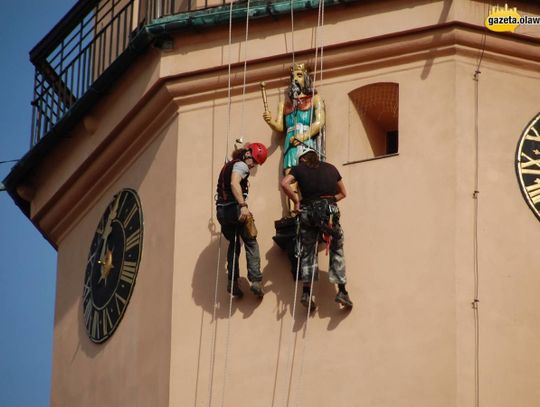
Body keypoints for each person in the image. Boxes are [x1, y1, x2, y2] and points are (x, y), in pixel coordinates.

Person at [280, 146, 353, 310]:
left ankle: (306, 292)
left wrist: (296, 200)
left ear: (302, 158)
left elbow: (284, 183)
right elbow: (343, 193)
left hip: (308, 212)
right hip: (330, 212)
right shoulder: (331, 168)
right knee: (336, 248)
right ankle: (342, 291)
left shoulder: (299, 169)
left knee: (308, 250)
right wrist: (328, 200)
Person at [263, 63, 325, 214]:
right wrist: (270, 121)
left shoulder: (314, 99)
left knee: (309, 176)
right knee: (290, 179)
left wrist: (304, 136)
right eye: (293, 77)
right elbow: (280, 127)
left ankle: (310, 208)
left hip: (306, 142)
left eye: (299, 75)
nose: (295, 79)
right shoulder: (284, 104)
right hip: (290, 144)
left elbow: (319, 121)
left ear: (306, 78)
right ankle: (294, 212)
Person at [216, 142, 268, 298]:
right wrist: (243, 205)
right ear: (248, 156)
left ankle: (232, 282)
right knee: (251, 240)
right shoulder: (241, 166)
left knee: (234, 243)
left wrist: (244, 146)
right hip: (235, 209)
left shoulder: (228, 165)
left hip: (222, 212)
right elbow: (234, 182)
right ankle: (256, 282)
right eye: (255, 162)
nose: (253, 166)